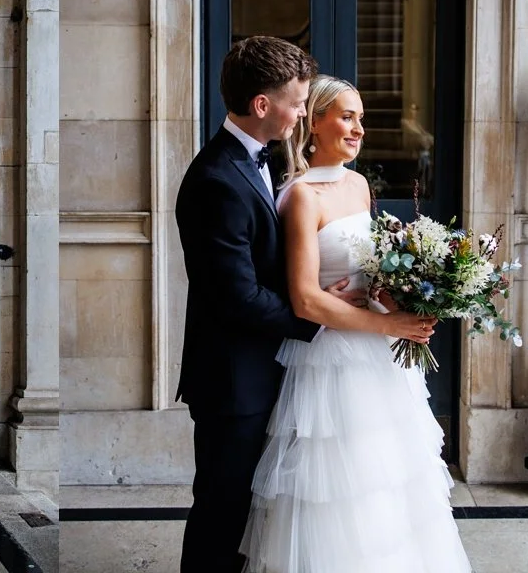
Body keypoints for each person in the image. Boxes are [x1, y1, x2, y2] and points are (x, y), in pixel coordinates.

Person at [174, 36, 436, 572]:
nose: (301, 110)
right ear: (264, 105)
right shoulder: (215, 180)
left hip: (270, 367)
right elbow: (237, 298)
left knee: (257, 516)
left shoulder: (262, 160)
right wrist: (317, 310)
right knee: (222, 515)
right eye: (297, 102)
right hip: (232, 381)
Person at [240, 76, 468, 571]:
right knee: (342, 488)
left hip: (382, 359)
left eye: (360, 118)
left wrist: (401, 299)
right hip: (333, 362)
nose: (358, 128)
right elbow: (304, 299)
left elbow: (370, 272)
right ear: (315, 121)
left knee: (390, 483)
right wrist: (390, 325)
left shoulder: (360, 184)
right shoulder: (300, 197)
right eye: (346, 116)